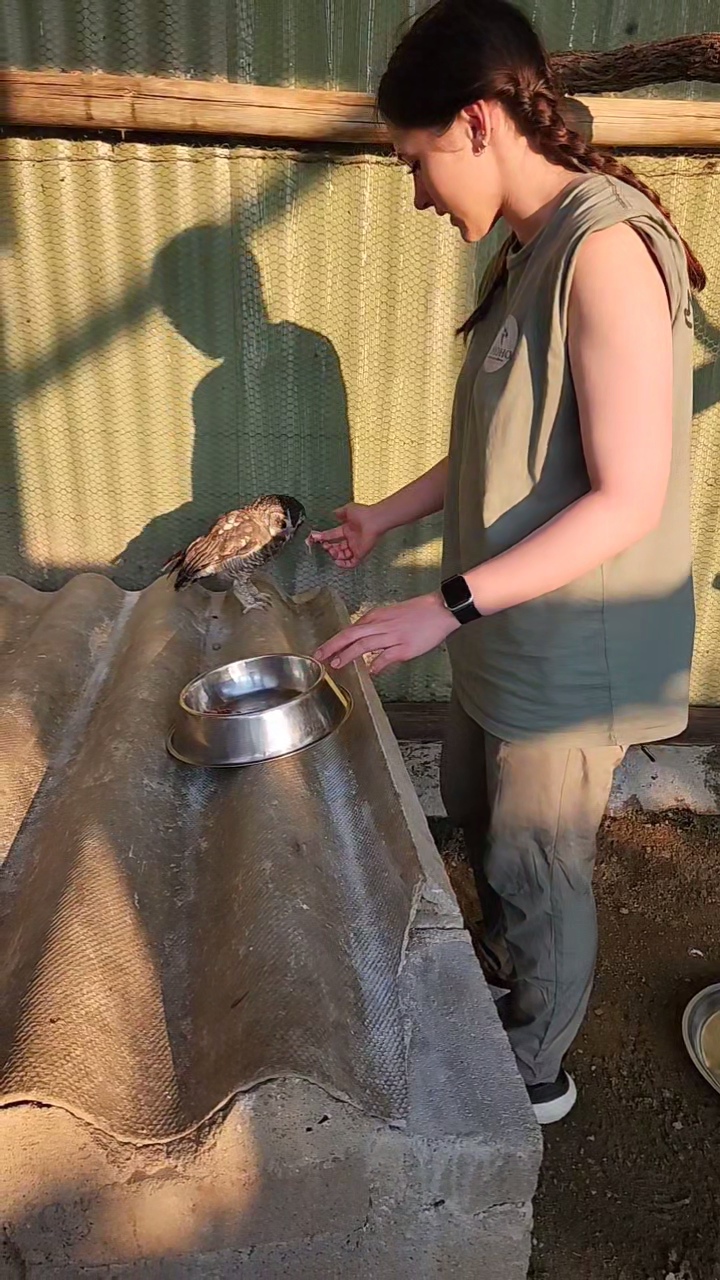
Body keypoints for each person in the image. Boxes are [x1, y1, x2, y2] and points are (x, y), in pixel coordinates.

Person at [310, 0, 704, 1124]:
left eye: (417, 160)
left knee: (539, 867)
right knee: (482, 815)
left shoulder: (607, 248)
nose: (419, 193)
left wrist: (441, 606)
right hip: (504, 616)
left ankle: (535, 1071)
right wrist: (386, 515)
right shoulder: (536, 248)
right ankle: (510, 981)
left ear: (477, 122)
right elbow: (503, 436)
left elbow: (627, 498)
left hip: (570, 636)